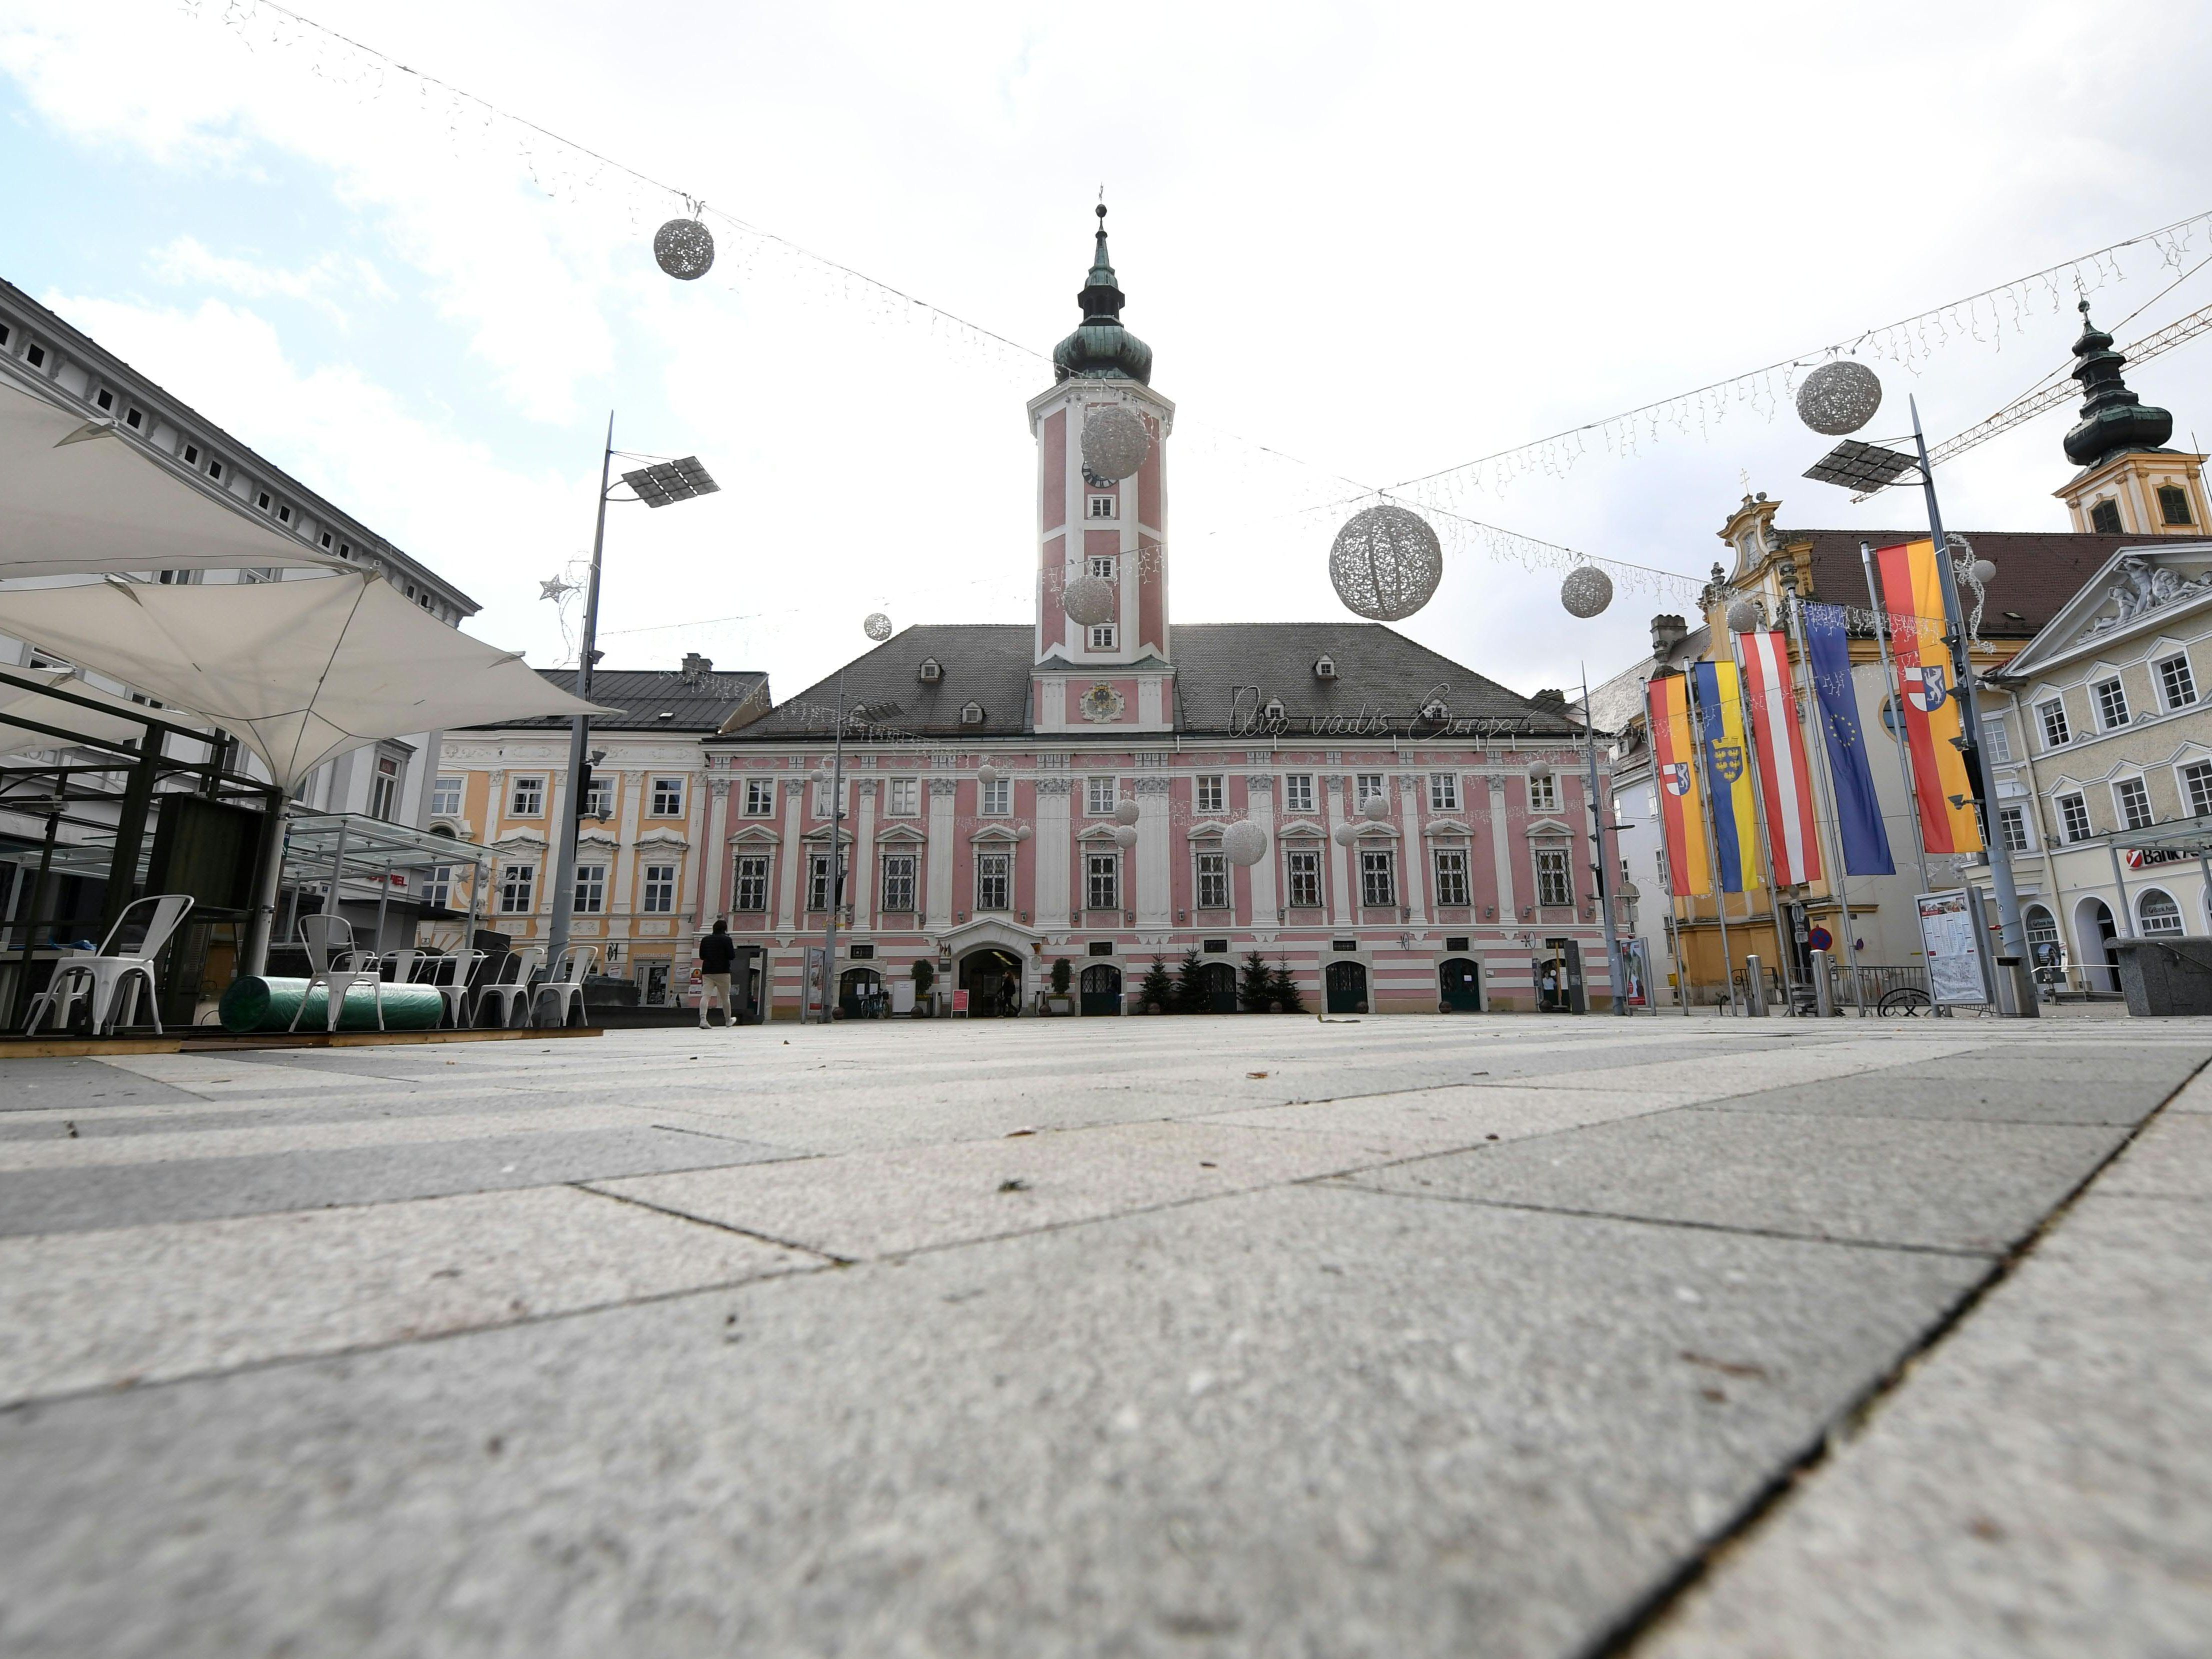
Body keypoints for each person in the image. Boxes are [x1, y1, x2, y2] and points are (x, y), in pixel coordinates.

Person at [698, 919, 737, 1030]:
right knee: (725, 997)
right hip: (723, 971)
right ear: (725, 929)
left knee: (706, 995)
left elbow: (702, 956)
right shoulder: (727, 940)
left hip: (708, 971)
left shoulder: (705, 940)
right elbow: (731, 956)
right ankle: (728, 1020)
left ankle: (703, 1020)